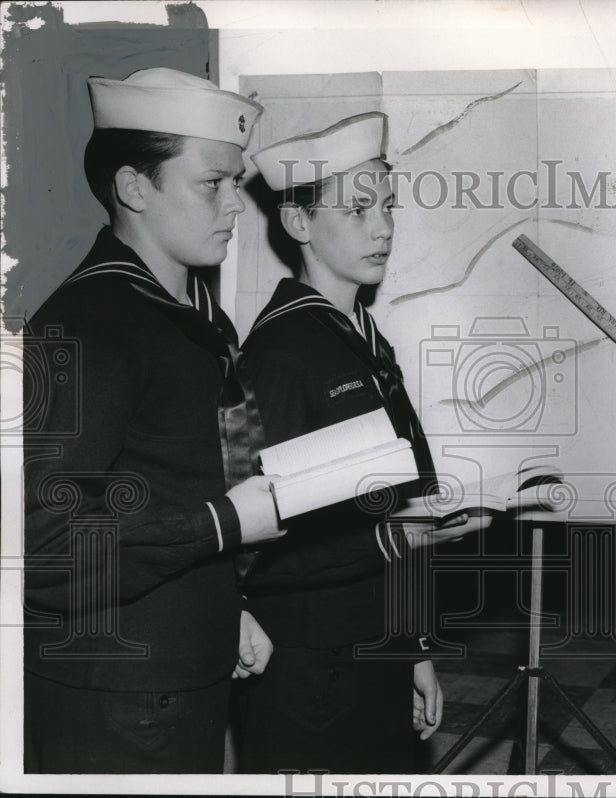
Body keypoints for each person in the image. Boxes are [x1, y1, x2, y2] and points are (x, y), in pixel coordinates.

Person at [22, 67, 285, 774]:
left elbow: (177, 483)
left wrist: (223, 606)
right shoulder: (90, 324)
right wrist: (225, 524)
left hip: (178, 673)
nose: (236, 206)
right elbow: (41, 543)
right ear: (135, 188)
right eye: (212, 184)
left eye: (238, 183)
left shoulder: (196, 319)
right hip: (114, 698)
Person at [238, 112, 488, 774]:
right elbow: (265, 547)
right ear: (299, 225)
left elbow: (395, 501)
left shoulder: (360, 341)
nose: (383, 227)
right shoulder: (287, 353)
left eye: (387, 207)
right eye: (357, 210)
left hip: (373, 652)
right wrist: (400, 533)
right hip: (310, 677)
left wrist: (416, 650)